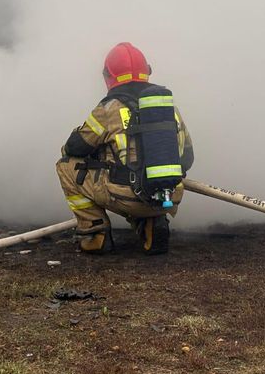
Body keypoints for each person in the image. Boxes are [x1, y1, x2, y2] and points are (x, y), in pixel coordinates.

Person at [56, 42, 194, 255]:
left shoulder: (109, 108)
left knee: (65, 166)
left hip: (128, 197)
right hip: (168, 195)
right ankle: (150, 222)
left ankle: (94, 233)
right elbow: (187, 158)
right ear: (146, 72)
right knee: (135, 175)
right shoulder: (167, 108)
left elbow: (74, 148)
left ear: (108, 76)